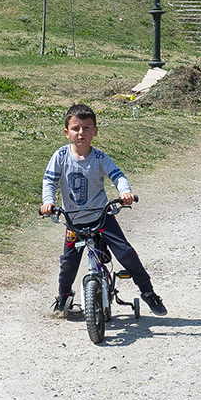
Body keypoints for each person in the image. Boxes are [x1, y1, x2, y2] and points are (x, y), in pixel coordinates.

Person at [38, 103, 167, 317]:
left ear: (95, 131)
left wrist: (125, 193)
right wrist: (47, 203)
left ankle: (148, 292)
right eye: (76, 128)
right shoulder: (60, 157)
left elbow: (118, 176)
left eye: (87, 128)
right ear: (66, 132)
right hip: (74, 221)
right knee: (68, 263)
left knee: (126, 254)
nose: (81, 133)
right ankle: (63, 298)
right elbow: (49, 182)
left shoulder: (99, 158)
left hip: (101, 217)